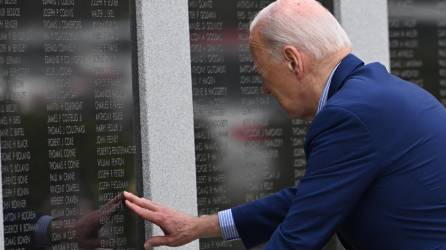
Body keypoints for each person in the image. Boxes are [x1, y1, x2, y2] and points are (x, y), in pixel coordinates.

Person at [124, 0, 446, 249]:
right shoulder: (376, 93)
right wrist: (199, 227)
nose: (264, 88)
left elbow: (296, 239)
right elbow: (311, 197)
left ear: (293, 61)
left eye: (263, 73)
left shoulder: (350, 116)